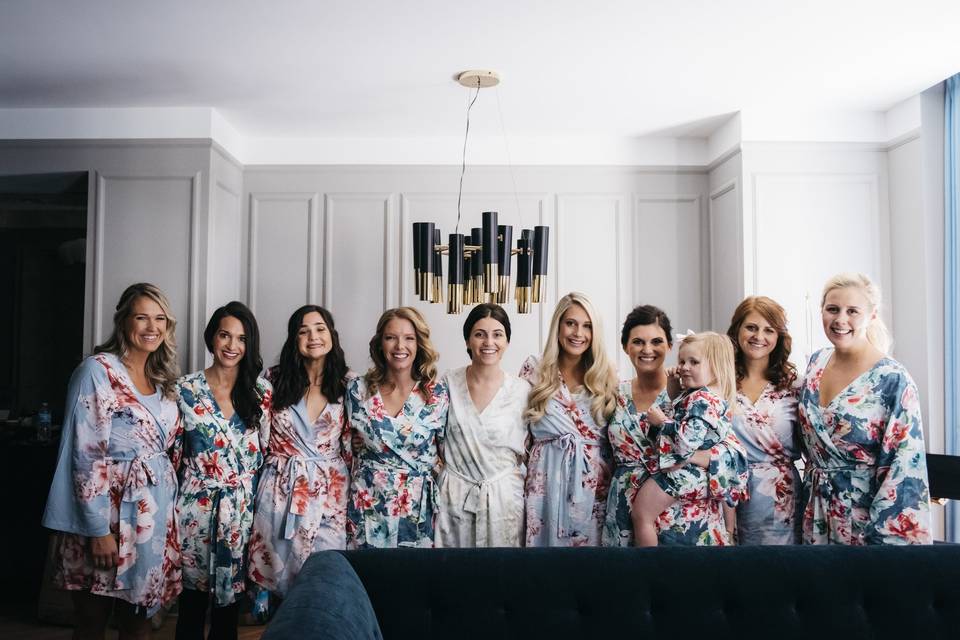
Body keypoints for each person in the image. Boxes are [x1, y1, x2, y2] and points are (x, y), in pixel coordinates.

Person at [42, 283, 183, 639]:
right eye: (141, 317)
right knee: (92, 620)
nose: (152, 327)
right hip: (106, 518)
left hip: (151, 520)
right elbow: (86, 454)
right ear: (123, 322)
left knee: (139, 622)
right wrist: (97, 531)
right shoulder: (97, 371)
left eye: (160, 319)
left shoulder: (163, 380)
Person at [798, 273, 931, 544]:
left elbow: (903, 466)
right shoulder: (815, 364)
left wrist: (882, 540)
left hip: (866, 520)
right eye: (832, 309)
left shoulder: (893, 379)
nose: (840, 320)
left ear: (871, 316)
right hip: (815, 514)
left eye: (852, 311)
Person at [174, 301, 271, 640]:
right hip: (194, 509)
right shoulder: (184, 390)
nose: (232, 346)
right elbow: (172, 454)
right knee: (191, 605)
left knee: (229, 610)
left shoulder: (261, 392)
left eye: (241, 339)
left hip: (241, 512)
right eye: (224, 336)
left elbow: (269, 454)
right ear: (211, 338)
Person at [247, 305, 351, 597]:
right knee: (278, 577)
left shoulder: (349, 384)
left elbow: (355, 441)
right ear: (294, 338)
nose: (313, 336)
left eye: (320, 328)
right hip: (279, 488)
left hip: (329, 492)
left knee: (324, 575)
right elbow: (258, 438)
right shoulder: (272, 380)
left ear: (332, 334)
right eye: (303, 331)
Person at [346, 307, 449, 548]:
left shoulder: (437, 395)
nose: (399, 346)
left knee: (414, 582)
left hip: (417, 509)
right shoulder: (358, 390)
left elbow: (448, 455)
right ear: (380, 343)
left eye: (409, 338)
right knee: (367, 580)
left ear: (419, 344)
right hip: (367, 503)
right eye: (391, 337)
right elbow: (341, 443)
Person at [521, 292, 618, 547]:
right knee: (544, 573)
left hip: (594, 488)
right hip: (545, 484)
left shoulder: (606, 374)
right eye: (571, 323)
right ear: (558, 325)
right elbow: (519, 435)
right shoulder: (535, 370)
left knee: (590, 576)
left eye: (587, 326)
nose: (578, 333)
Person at [435, 304, 530, 547]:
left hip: (504, 498)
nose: (489, 342)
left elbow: (534, 448)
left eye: (497, 334)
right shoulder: (447, 384)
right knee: (454, 575)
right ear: (468, 341)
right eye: (480, 334)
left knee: (502, 577)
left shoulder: (522, 391)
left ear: (507, 341)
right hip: (454, 496)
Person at [631, 332, 737, 547]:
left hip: (685, 473)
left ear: (715, 367)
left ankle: (647, 566)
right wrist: (672, 388)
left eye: (694, 362)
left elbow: (687, 442)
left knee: (641, 514)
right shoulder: (699, 396)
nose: (684, 367)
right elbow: (682, 416)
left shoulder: (703, 400)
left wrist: (662, 423)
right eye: (682, 361)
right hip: (692, 473)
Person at [726, 296, 802, 545]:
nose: (759, 336)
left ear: (778, 337)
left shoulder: (795, 386)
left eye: (769, 330)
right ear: (737, 329)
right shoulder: (719, 381)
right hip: (729, 493)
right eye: (751, 327)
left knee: (780, 574)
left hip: (782, 498)